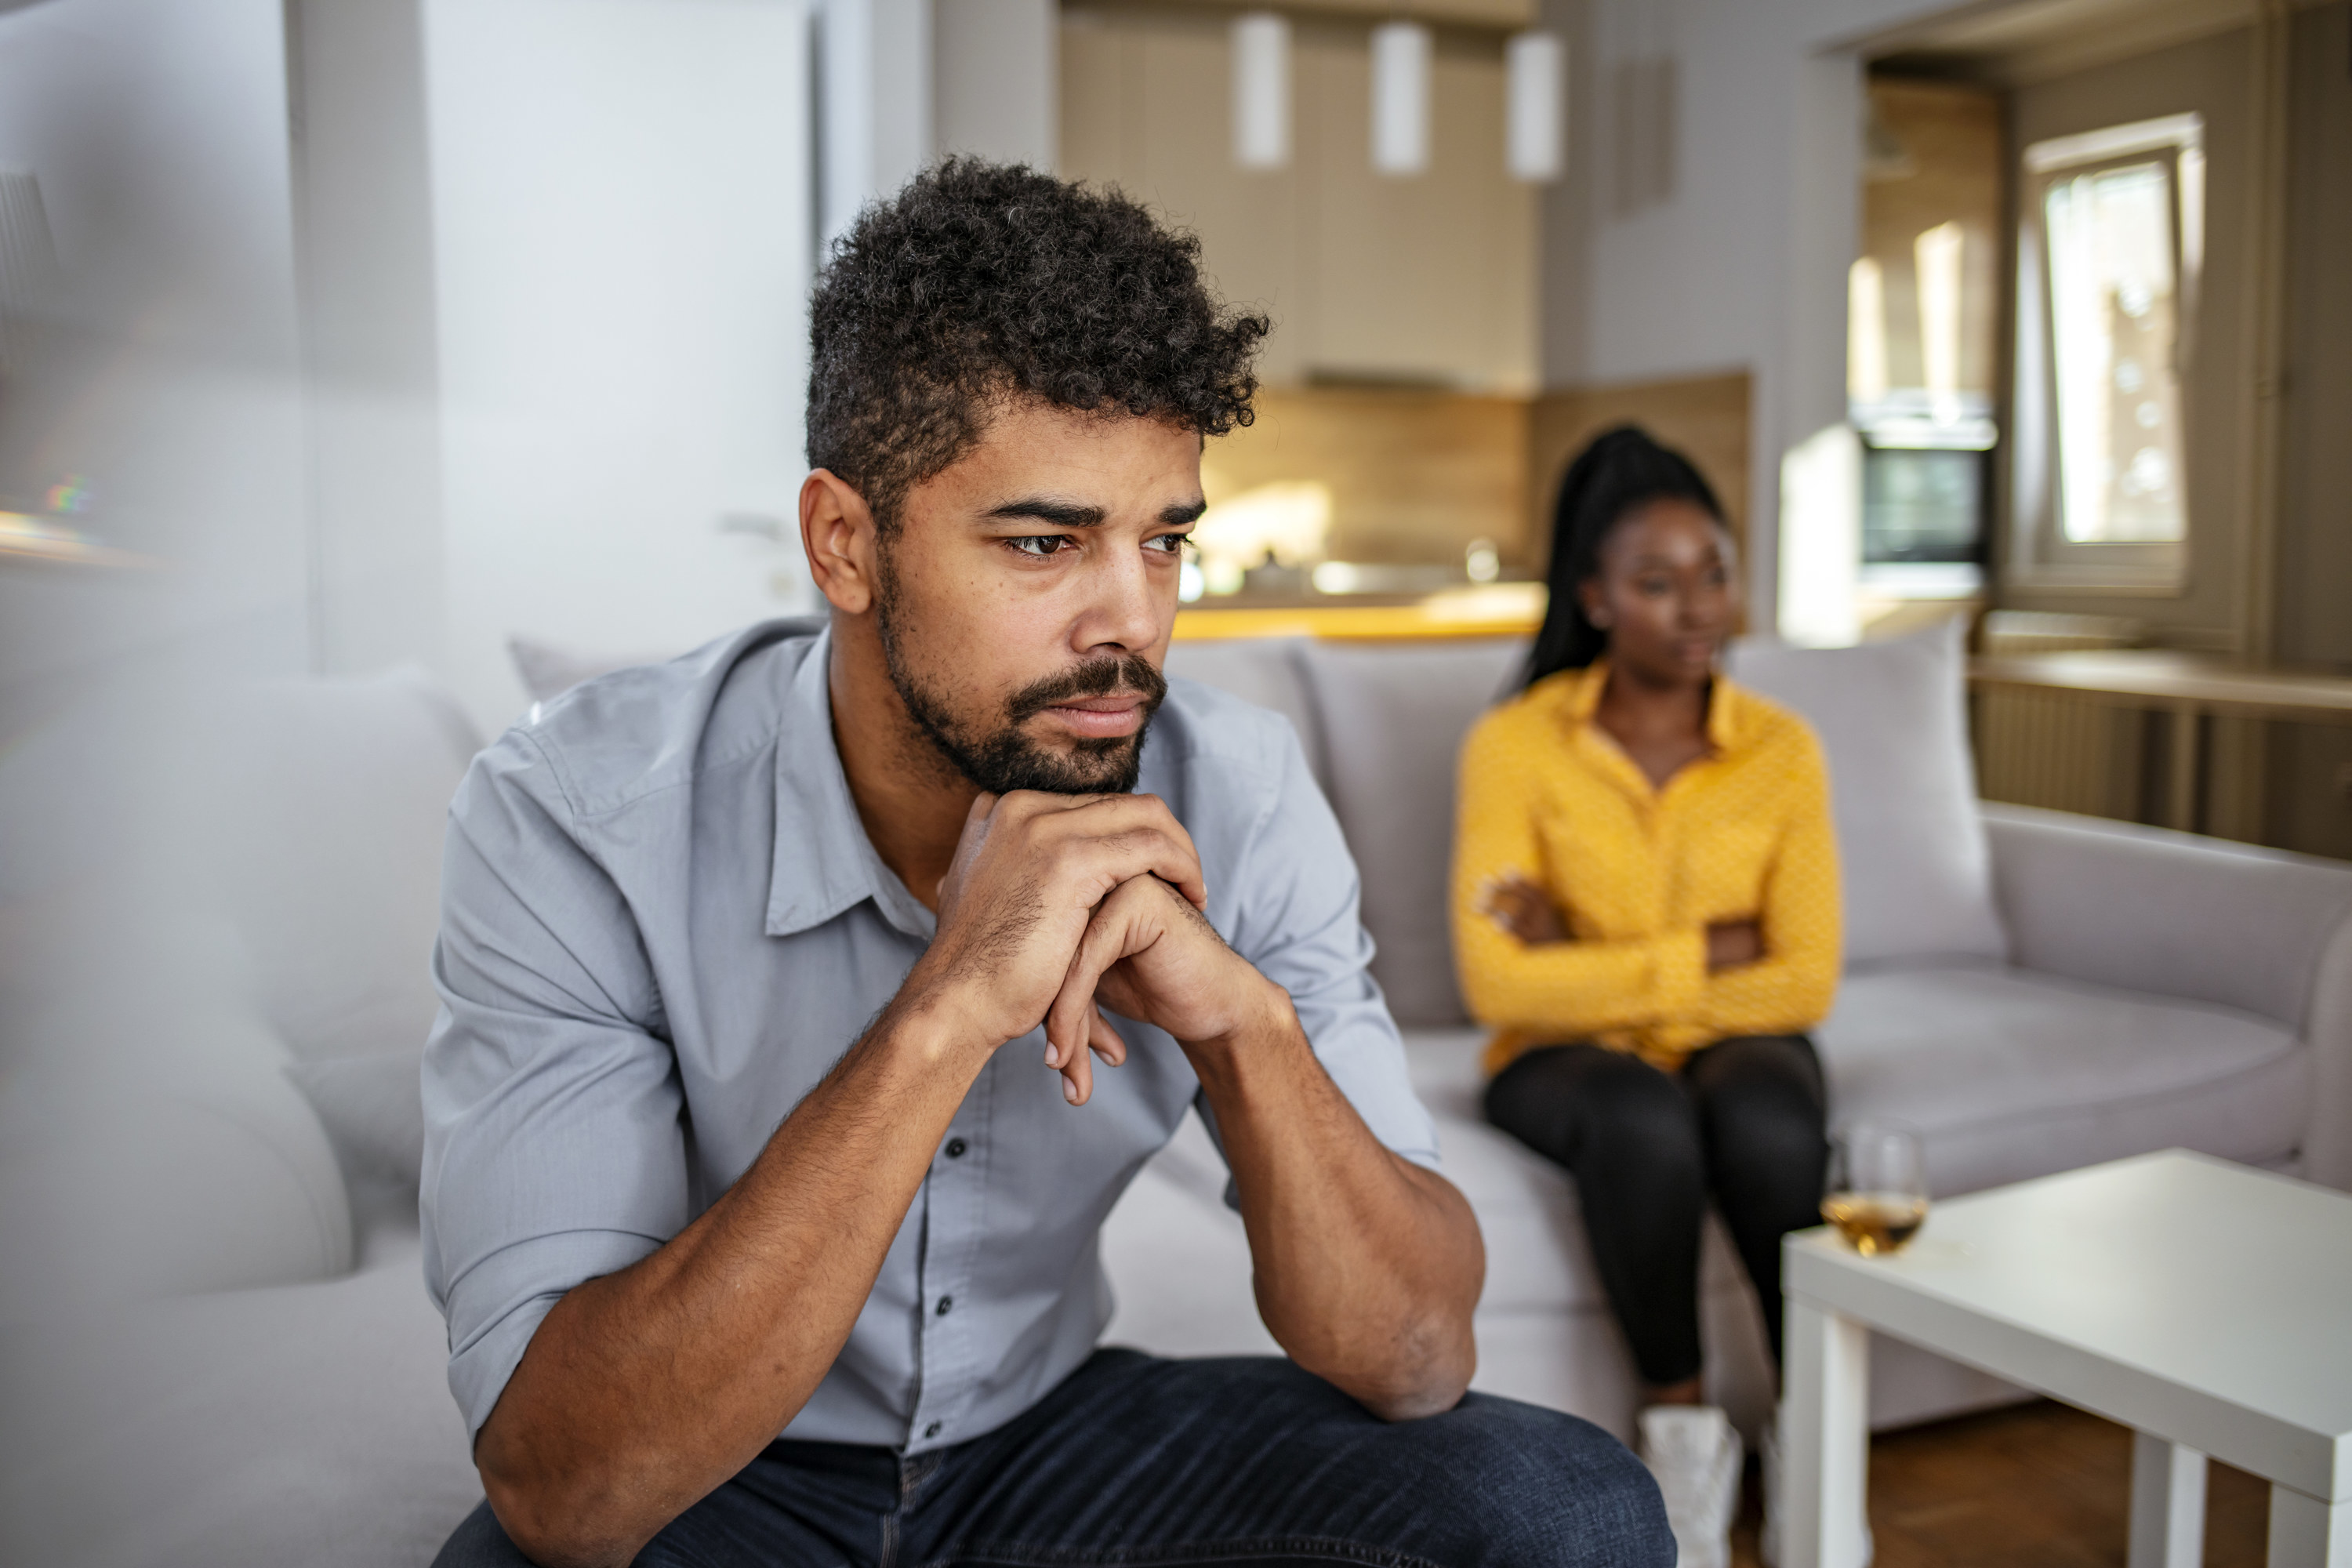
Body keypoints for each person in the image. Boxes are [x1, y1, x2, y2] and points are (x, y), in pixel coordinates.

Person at [423, 162, 1670, 1568]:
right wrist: (948, 1007)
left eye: (1165, 542)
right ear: (846, 543)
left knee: (1565, 1512)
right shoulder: (577, 818)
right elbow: (564, 1489)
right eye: (1042, 542)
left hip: (1050, 1442)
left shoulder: (1236, 795)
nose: (1131, 625)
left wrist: (1246, 1027)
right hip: (727, 1480)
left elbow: (1417, 1356)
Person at [1450, 426, 1841, 1568]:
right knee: (1641, 1118)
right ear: (1597, 597)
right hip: (1558, 1056)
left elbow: (1805, 974)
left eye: (1713, 574)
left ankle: (1813, 1426)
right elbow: (1495, 980)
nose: (1696, 607)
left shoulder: (1782, 749)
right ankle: (1688, 1451)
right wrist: (1701, 956)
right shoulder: (1516, 743)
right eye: (1657, 584)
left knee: (1766, 1121)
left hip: (1711, 1039)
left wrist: (1598, 959)